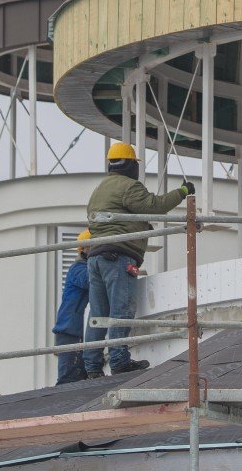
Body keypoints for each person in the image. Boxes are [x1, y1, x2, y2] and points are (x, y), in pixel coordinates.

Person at [82, 141, 193, 377]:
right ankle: (119, 361)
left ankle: (91, 366)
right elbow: (154, 206)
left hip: (96, 257)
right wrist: (182, 192)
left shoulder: (99, 189)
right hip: (118, 257)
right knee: (120, 310)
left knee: (98, 315)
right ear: (131, 164)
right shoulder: (129, 187)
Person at [51, 230, 91, 385]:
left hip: (75, 330)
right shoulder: (78, 268)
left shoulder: (83, 267)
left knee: (80, 379)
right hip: (70, 331)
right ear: (85, 249)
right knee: (69, 380)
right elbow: (90, 281)